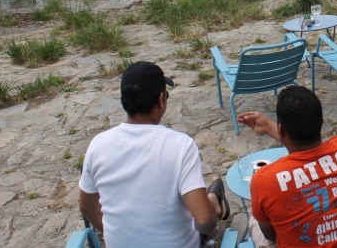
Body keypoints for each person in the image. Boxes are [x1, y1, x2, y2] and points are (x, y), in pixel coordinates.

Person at [79, 62, 230, 248]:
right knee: (202, 214)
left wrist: (113, 231)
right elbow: (205, 221)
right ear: (161, 99)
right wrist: (209, 230)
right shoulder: (180, 145)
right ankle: (213, 200)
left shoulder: (98, 145)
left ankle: (213, 199)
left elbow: (86, 205)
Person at [237, 86, 337, 248]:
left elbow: (271, 235)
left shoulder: (264, 180)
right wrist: (269, 127)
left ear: (281, 129)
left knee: (256, 218)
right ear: (322, 123)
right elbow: (313, 151)